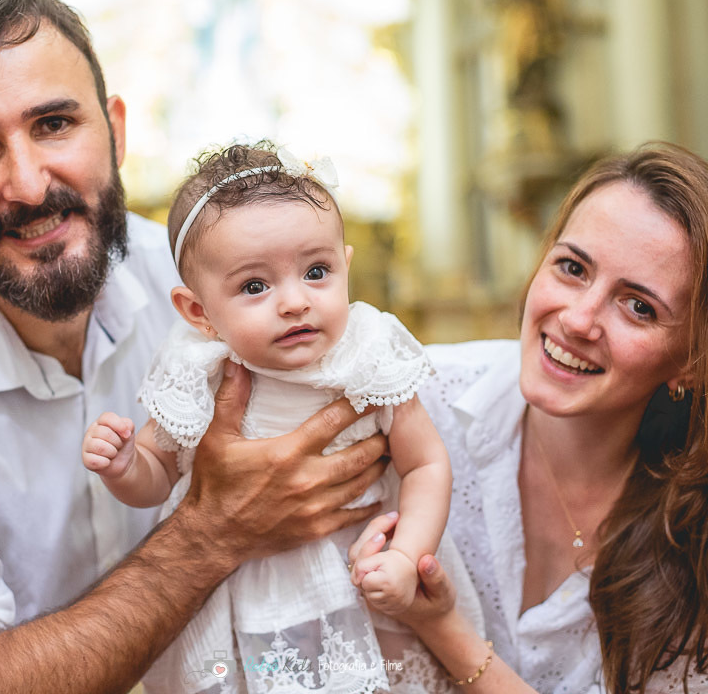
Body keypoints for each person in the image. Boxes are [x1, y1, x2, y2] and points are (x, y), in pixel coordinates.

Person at [0, 0, 389, 694]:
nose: (31, 186)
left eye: (54, 124)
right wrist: (213, 533)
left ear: (116, 131)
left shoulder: (220, 296)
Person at [348, 143, 708, 693]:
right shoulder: (404, 401)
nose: (579, 319)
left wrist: (442, 628)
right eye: (572, 267)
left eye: (639, 306)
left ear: (699, 363)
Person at [83, 143, 482, 692]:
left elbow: (426, 466)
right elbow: (160, 475)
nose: (294, 301)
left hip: (361, 573)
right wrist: (126, 465)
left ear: (346, 265)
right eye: (254, 286)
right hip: (245, 594)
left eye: (316, 271)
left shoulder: (367, 354)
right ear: (198, 312)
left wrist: (408, 555)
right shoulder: (198, 369)